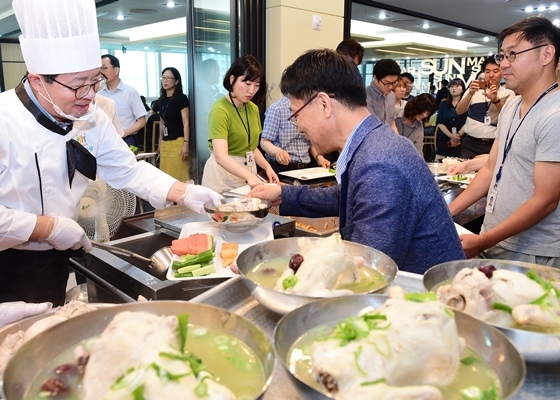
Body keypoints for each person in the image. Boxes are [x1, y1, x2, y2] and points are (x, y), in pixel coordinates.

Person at [0, 0, 221, 306]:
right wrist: (46, 227)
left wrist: (182, 191)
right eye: (79, 85)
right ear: (38, 80)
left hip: (55, 260)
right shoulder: (4, 120)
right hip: (6, 263)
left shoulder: (91, 117)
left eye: (95, 81)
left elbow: (127, 169)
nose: (91, 95)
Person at [249, 49, 465, 274]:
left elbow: (365, 272)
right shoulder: (373, 143)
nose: (300, 127)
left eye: (296, 116)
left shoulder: (379, 164)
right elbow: (350, 196)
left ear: (324, 104)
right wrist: (283, 194)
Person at [449, 16, 560, 267]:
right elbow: (491, 167)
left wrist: (484, 240)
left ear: (546, 54)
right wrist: (448, 213)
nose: (504, 65)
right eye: (502, 56)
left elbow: (546, 200)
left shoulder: (555, 115)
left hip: (532, 250)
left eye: (513, 54)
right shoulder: (512, 104)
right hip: (495, 236)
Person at [201, 55, 279, 192]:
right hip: (222, 176)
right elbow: (221, 156)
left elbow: (251, 147)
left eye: (257, 85)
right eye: (247, 83)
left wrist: (267, 167)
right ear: (232, 79)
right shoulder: (220, 109)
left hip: (248, 172)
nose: (251, 90)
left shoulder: (252, 108)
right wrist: (249, 176)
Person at [455, 56, 515, 159]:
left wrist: (495, 100)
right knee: (466, 173)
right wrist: (470, 94)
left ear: (502, 73)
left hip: (494, 144)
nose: (491, 75)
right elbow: (459, 111)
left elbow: (509, 116)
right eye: (487, 71)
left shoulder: (509, 94)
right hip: (470, 143)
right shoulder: (474, 91)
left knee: (490, 173)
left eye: (495, 71)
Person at [261, 97, 330, 174]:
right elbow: (264, 143)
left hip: (306, 168)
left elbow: (310, 142)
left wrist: (318, 157)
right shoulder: (276, 109)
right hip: (281, 167)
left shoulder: (310, 106)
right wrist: (277, 152)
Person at [98, 54, 148, 146]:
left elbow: (142, 121)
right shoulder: (99, 94)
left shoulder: (130, 93)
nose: (101, 72)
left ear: (116, 70)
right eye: (100, 69)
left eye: (104, 68)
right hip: (104, 140)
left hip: (126, 139)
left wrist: (123, 134)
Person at [157, 67, 191, 182]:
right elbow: (162, 123)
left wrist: (186, 143)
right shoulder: (161, 100)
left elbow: (186, 122)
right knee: (165, 177)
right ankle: (169, 200)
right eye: (163, 78)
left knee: (179, 176)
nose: (165, 81)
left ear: (176, 81)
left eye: (168, 78)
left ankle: (181, 200)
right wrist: (160, 143)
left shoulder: (181, 98)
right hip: (166, 143)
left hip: (178, 142)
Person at [195, 58, 222, 176]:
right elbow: (202, 117)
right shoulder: (203, 91)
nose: (219, 73)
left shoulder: (207, 89)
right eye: (217, 70)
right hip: (205, 137)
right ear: (210, 71)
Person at [366, 58, 401, 134]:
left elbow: (392, 123)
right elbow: (370, 127)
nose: (391, 87)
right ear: (375, 78)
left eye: (394, 82)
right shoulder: (365, 96)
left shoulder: (391, 95)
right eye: (387, 83)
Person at [435, 78, 467, 158]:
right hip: (445, 137)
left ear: (463, 89)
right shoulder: (443, 104)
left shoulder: (467, 104)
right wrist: (451, 136)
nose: (454, 88)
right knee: (441, 164)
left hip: (462, 139)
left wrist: (457, 136)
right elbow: (440, 122)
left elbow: (468, 122)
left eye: (457, 86)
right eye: (452, 86)